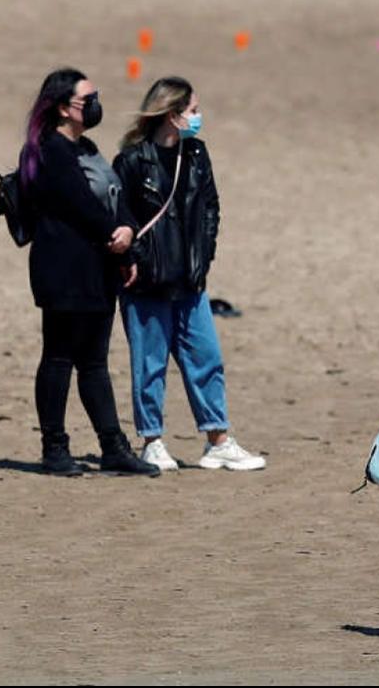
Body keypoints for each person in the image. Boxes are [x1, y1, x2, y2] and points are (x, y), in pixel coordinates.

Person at [112, 77, 265, 473]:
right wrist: (139, 258)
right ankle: (152, 441)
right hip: (146, 282)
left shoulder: (196, 153)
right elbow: (120, 217)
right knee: (150, 364)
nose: (199, 117)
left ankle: (218, 440)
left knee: (205, 357)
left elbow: (211, 207)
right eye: (193, 110)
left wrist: (204, 254)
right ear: (171, 114)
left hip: (190, 279)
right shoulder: (132, 160)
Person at [18, 67, 160, 477]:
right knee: (60, 357)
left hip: (99, 269)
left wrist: (128, 232)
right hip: (63, 269)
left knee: (95, 361)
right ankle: (54, 447)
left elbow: (114, 196)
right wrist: (111, 235)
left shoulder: (89, 147)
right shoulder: (48, 150)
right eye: (88, 98)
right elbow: (78, 203)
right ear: (63, 108)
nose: (96, 104)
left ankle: (113, 446)